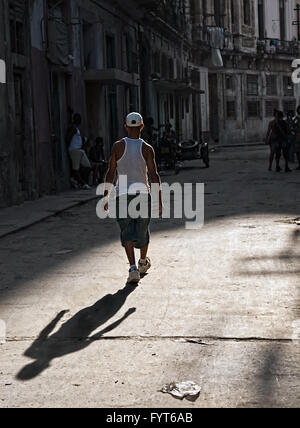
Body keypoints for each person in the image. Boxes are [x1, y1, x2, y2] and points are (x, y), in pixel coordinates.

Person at [104, 112, 163, 284]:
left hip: (122, 195)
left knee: (126, 231)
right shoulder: (147, 148)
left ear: (126, 127)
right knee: (143, 231)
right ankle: (143, 262)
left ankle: (133, 269)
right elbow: (154, 175)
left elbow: (110, 172)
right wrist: (159, 200)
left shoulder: (117, 146)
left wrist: (105, 196)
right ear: (142, 127)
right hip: (143, 194)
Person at [66, 113, 92, 189]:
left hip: (80, 150)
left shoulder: (76, 128)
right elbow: (68, 138)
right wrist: (70, 147)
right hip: (74, 150)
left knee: (88, 166)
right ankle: (83, 183)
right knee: (75, 169)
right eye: (77, 118)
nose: (79, 120)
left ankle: (81, 182)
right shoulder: (73, 128)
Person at [294, 106, 300, 171]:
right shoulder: (296, 118)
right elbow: (293, 126)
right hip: (297, 137)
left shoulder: (296, 119)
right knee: (298, 152)